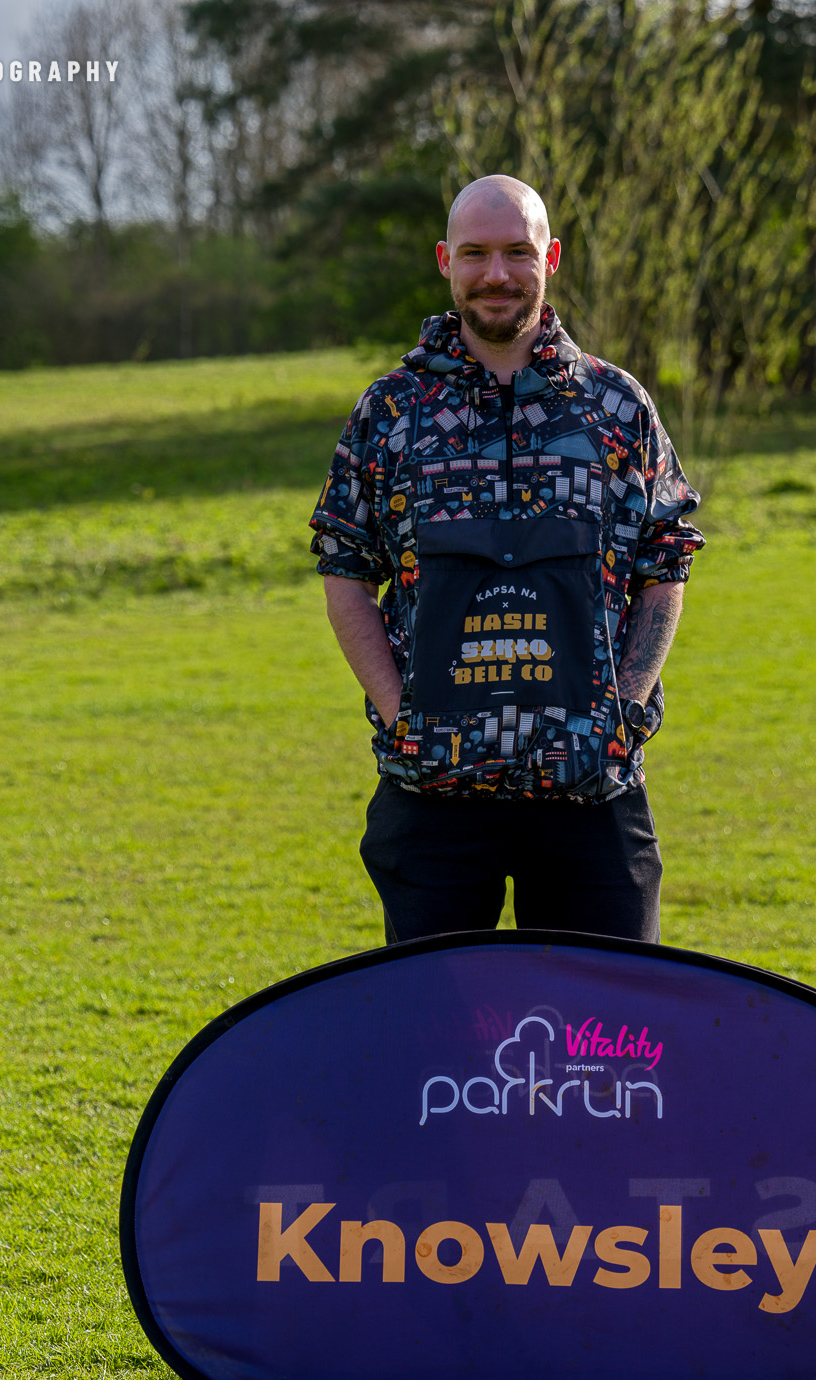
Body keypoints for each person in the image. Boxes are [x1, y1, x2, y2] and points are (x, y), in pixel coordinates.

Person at [309, 174, 705, 945]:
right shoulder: (390, 412)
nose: (497, 273)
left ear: (550, 257)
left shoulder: (614, 407)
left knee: (605, 1037)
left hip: (592, 791)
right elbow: (345, 567)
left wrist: (624, 707)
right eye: (477, 253)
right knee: (437, 1040)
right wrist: (402, 718)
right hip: (434, 794)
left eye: (517, 252)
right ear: (445, 262)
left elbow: (667, 561)